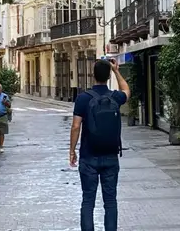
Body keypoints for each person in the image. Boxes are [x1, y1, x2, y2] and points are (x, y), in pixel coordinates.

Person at [70, 58, 130, 231]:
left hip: (89, 156)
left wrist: (72, 150)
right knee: (110, 201)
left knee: (88, 201)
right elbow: (126, 89)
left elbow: (75, 127)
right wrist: (116, 71)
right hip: (111, 156)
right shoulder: (115, 97)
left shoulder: (83, 98)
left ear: (92, 75)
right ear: (108, 75)